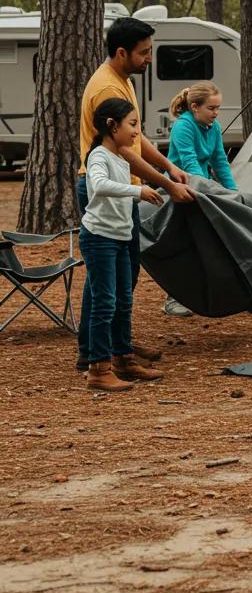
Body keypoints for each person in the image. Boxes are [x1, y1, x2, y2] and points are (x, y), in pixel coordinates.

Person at [76, 17, 195, 371]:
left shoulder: (120, 80)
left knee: (116, 273)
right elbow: (125, 150)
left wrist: (168, 166)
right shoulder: (108, 89)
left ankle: (112, 344)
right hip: (112, 188)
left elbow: (136, 137)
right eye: (144, 53)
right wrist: (166, 184)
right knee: (110, 275)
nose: (149, 59)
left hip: (125, 187)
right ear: (122, 52)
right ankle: (101, 352)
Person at [79, 98, 166, 391]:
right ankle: (98, 369)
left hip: (119, 237)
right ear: (111, 126)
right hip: (99, 239)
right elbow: (100, 185)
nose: (136, 131)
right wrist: (137, 191)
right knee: (104, 303)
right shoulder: (99, 156)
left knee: (123, 301)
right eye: (132, 124)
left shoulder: (120, 156)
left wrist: (145, 190)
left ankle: (123, 358)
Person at [167, 81, 237, 191]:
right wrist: (206, 189)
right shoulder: (182, 126)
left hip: (202, 183)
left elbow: (219, 161)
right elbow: (190, 162)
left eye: (218, 108)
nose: (216, 112)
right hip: (178, 186)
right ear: (195, 107)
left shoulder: (215, 126)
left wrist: (233, 191)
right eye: (211, 108)